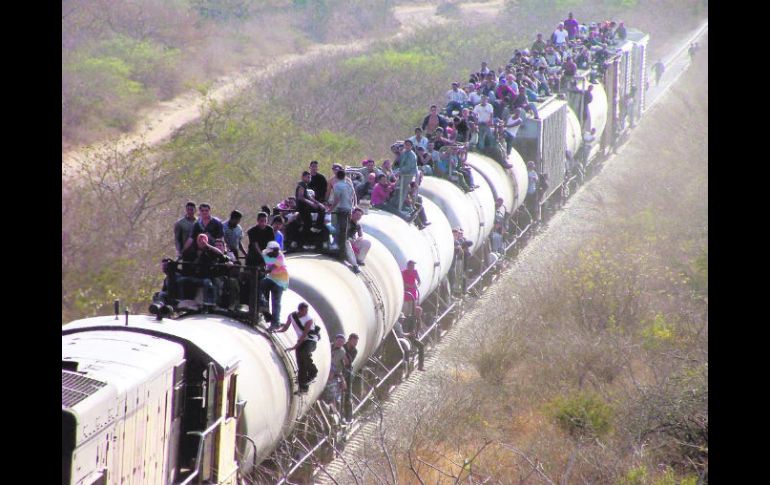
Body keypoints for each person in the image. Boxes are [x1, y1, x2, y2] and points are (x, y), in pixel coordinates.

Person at [272, 302, 320, 394]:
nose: (306, 313)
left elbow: (304, 335)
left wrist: (295, 346)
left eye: (307, 311)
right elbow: (285, 328)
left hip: (311, 341)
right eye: (305, 311)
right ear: (299, 310)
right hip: (302, 340)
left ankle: (313, 372)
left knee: (304, 354)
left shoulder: (309, 320)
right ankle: (303, 387)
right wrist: (277, 331)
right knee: (300, 362)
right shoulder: (292, 316)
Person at [178, 233, 226, 309]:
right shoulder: (192, 251)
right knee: (181, 280)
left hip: (205, 277)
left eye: (203, 240)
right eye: (199, 240)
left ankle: (207, 303)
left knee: (207, 282)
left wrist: (207, 245)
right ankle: (183, 301)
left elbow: (221, 255)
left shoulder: (210, 252)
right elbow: (183, 256)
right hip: (194, 276)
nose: (201, 242)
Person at [328, 168, 356, 260]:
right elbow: (352, 198)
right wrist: (351, 209)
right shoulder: (349, 185)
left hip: (340, 210)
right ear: (344, 176)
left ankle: (339, 251)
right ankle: (343, 251)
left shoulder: (337, 185)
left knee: (337, 229)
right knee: (344, 231)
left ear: (337, 176)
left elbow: (337, 199)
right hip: (348, 209)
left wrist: (330, 209)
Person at [259, 240, 288, 327]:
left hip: (280, 280)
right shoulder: (269, 255)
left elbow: (271, 264)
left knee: (276, 302)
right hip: (272, 278)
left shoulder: (280, 257)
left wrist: (264, 258)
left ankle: (275, 322)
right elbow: (268, 267)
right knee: (260, 285)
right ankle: (264, 306)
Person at [296, 170, 326, 247]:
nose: (309, 179)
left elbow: (309, 197)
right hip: (303, 207)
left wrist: (318, 203)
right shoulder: (302, 184)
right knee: (307, 224)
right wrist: (311, 203)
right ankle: (317, 226)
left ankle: (304, 243)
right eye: (307, 177)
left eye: (310, 177)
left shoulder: (305, 186)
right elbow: (300, 197)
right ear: (303, 177)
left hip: (306, 206)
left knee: (308, 224)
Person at [344, 208, 372, 273]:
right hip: (345, 241)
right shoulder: (347, 221)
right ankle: (355, 265)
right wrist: (349, 239)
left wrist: (359, 239)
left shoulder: (358, 225)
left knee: (367, 242)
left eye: (360, 215)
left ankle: (359, 260)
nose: (358, 217)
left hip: (353, 242)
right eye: (357, 214)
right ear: (353, 214)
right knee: (347, 242)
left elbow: (361, 235)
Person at [396, 139, 418, 213]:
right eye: (406, 145)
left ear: (411, 146)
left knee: (404, 189)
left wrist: (400, 171)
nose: (407, 146)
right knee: (398, 188)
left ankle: (400, 206)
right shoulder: (403, 152)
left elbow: (408, 167)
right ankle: (397, 204)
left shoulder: (412, 155)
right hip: (402, 174)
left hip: (408, 174)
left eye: (409, 145)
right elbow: (401, 163)